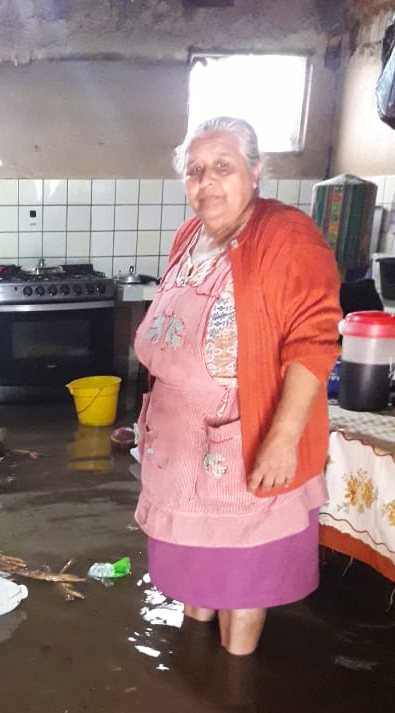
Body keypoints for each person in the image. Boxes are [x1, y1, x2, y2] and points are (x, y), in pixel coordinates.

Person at [133, 116, 342, 656]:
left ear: (255, 170)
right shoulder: (189, 236)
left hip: (240, 446)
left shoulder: (285, 235)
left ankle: (232, 687)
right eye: (195, 170)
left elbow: (314, 343)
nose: (207, 181)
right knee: (195, 577)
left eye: (222, 166)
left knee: (241, 582)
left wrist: (283, 439)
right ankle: (191, 668)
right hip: (179, 451)